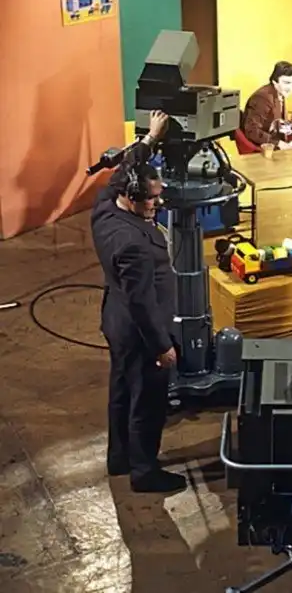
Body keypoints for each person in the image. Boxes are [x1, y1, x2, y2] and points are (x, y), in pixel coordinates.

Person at [91, 109, 186, 494]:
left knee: (121, 391)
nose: (157, 204)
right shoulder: (133, 245)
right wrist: (162, 346)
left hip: (115, 323)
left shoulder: (105, 206)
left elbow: (123, 169)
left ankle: (119, 458)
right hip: (140, 332)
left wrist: (150, 138)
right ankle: (145, 472)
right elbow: (142, 303)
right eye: (152, 199)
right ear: (132, 198)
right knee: (147, 401)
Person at [240, 61, 292, 149]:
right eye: (286, 83)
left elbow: (280, 123)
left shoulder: (279, 94)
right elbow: (252, 131)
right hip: (262, 149)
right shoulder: (263, 97)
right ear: (274, 81)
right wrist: (279, 143)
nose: (290, 88)